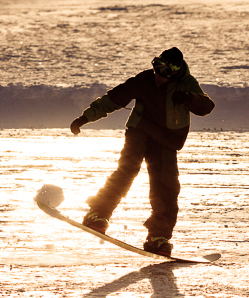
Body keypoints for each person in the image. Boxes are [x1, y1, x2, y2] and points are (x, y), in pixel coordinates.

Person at [69, 47, 215, 258]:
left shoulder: (186, 83)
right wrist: (84, 118)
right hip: (140, 131)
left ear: (175, 72)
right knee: (127, 171)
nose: (158, 76)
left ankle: (159, 237)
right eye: (156, 69)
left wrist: (189, 98)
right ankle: (98, 214)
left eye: (164, 72)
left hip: (166, 141)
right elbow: (114, 99)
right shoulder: (145, 80)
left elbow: (206, 106)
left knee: (166, 186)